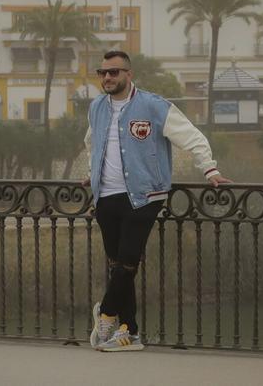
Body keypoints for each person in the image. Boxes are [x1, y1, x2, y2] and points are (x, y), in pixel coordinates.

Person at [85, 50, 231, 352]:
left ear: (129, 74)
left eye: (114, 72)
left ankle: (107, 313)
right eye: (103, 73)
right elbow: (92, 142)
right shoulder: (97, 107)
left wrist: (210, 168)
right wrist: (92, 172)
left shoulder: (153, 106)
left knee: (127, 262)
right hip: (105, 196)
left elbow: (190, 136)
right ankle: (129, 333)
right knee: (117, 267)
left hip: (144, 196)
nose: (108, 77)